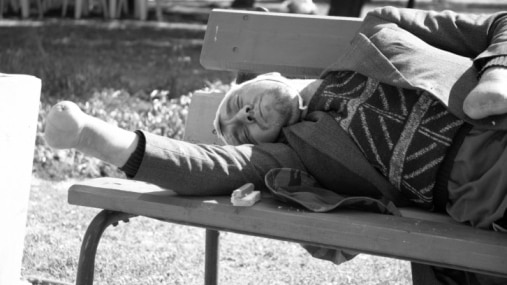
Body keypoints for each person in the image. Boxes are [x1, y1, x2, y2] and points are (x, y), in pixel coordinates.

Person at [45, 6, 507, 283]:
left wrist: (498, 76)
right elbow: (209, 165)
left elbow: (500, 22)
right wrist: (98, 138)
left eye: (241, 102)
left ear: (267, 76)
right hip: (489, 192)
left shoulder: (381, 31)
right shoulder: (298, 152)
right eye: (241, 130)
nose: (243, 117)